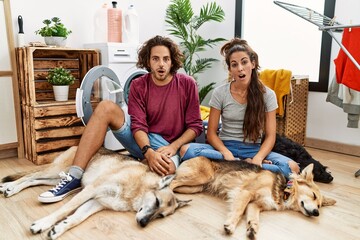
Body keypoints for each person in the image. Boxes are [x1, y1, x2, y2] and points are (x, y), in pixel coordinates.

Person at [38, 35, 203, 203]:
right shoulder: (139, 85)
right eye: (155, 59)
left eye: (166, 59)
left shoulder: (187, 84)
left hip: (168, 146)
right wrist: (148, 152)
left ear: (172, 61)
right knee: (106, 107)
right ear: (148, 61)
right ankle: (73, 176)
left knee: (167, 170)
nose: (161, 64)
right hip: (142, 141)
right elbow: (138, 125)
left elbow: (195, 126)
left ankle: (139, 165)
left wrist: (174, 147)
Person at [179, 38, 299, 179]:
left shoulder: (268, 95)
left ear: (253, 64)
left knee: (293, 168)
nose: (240, 68)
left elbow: (271, 136)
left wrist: (259, 158)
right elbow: (211, 133)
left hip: (253, 150)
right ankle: (245, 166)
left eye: (244, 62)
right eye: (234, 65)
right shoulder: (220, 92)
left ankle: (235, 166)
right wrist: (225, 153)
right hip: (224, 148)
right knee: (185, 150)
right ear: (230, 69)